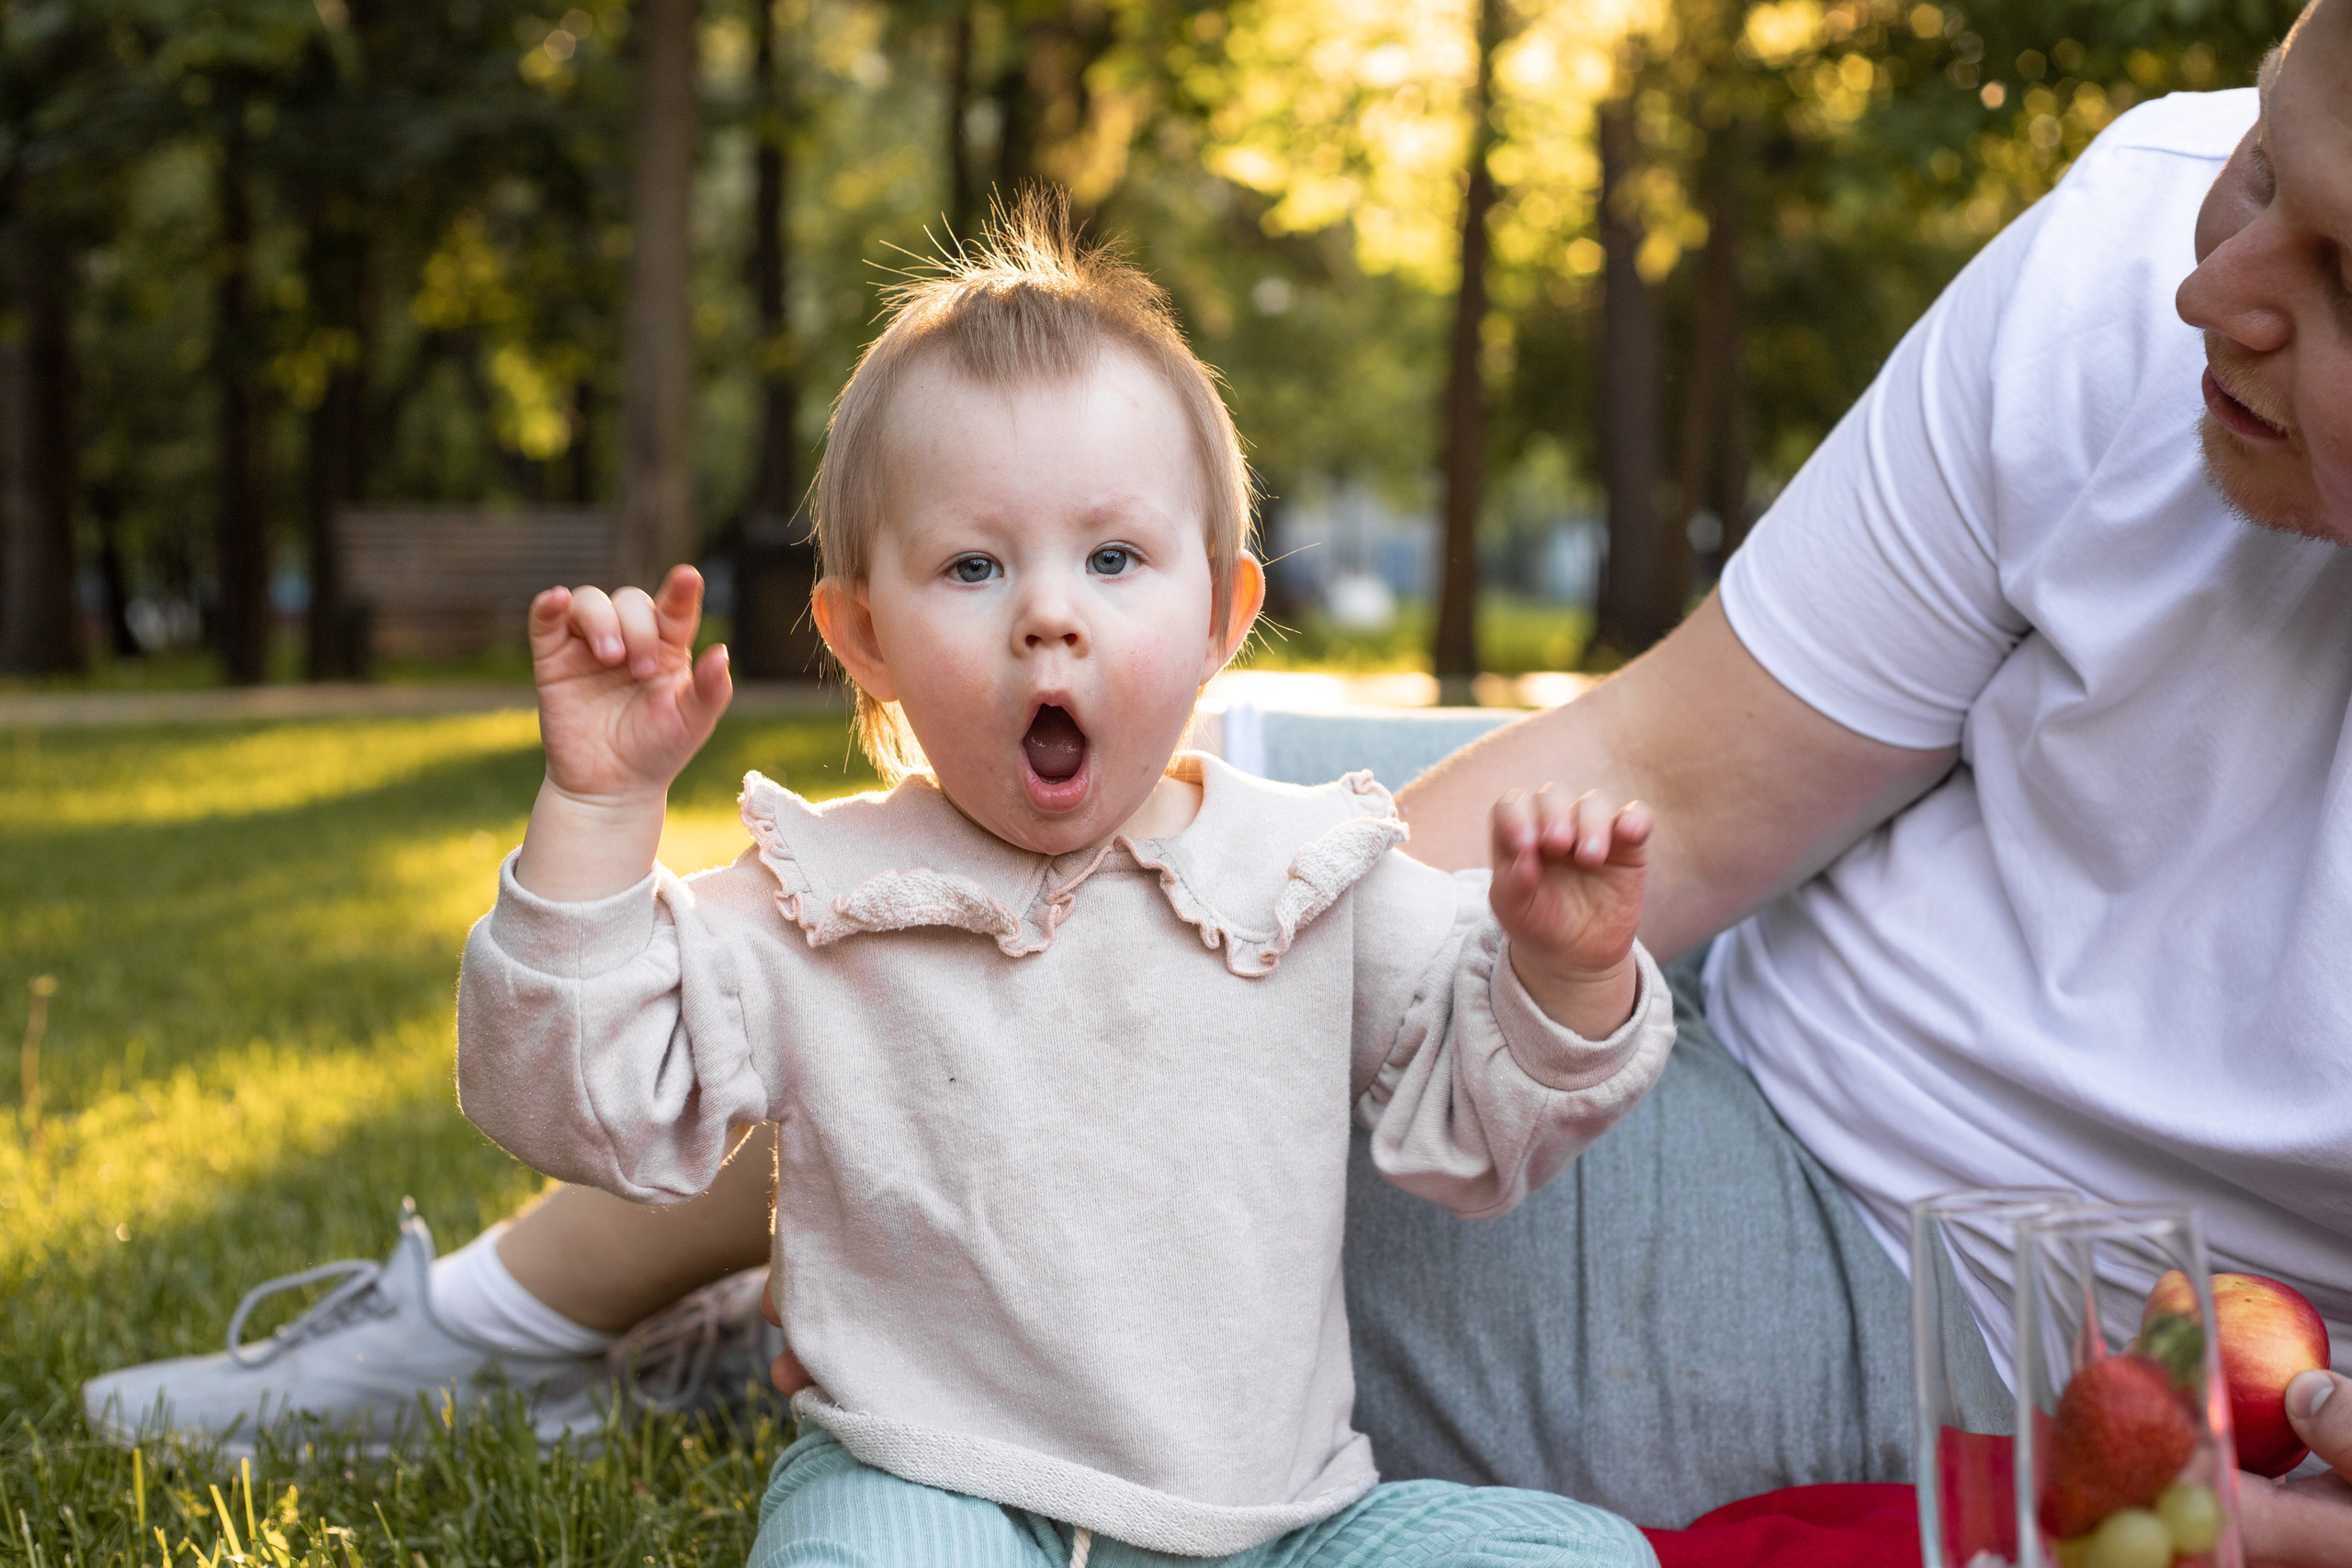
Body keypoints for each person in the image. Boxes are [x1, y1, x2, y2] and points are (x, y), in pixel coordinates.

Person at [83, 4, 2352, 1562]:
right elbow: (1668, 760)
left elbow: (1488, 1076)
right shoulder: (2116, 260)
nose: (2213, 288)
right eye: (2259, 148)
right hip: (1747, 1124)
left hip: (2119, 1347)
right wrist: (1279, 911)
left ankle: (894, 1311)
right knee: (1062, 956)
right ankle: (538, 1323)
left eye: (2334, 271)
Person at [456, 197, 1676, 1567]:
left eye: (1113, 558)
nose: (1050, 611)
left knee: (1582, 1560)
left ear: (1220, 613)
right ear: (863, 634)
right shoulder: (818, 899)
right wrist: (602, 806)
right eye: (973, 565)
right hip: (931, 1488)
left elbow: (1484, 1121)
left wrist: (1567, 975)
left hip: (1272, 1530)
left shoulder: (1306, 878)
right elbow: (580, 1097)